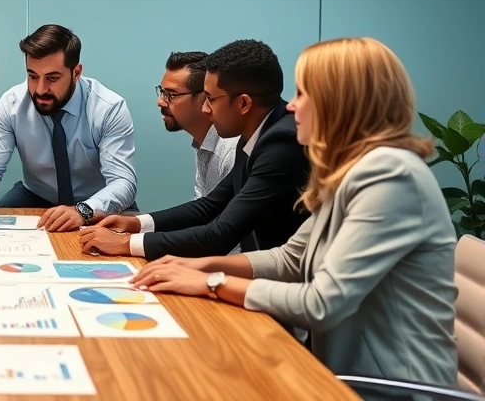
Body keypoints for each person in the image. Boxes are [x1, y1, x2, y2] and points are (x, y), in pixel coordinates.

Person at [132, 37, 457, 387]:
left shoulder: (390, 176)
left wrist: (212, 283)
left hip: (387, 386)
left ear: (341, 104)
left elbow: (321, 302)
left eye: (303, 94)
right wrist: (200, 265)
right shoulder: (354, 169)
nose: (291, 107)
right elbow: (291, 258)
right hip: (339, 366)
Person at [80, 39, 309, 258]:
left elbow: (221, 234)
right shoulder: (256, 131)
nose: (206, 109)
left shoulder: (281, 144)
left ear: (243, 104)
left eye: (210, 99)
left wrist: (127, 243)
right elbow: (210, 205)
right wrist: (136, 223)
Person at [0, 24, 137, 232]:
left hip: (95, 202)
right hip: (35, 195)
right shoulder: (11, 104)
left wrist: (83, 210)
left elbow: (123, 182)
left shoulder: (109, 108)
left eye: (52, 78)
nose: (40, 89)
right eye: (32, 76)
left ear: (76, 72)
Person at [157, 51, 238, 199]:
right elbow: (200, 210)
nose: (160, 102)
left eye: (171, 95)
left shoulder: (230, 151)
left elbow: (227, 220)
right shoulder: (203, 143)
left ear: (205, 97)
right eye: (162, 92)